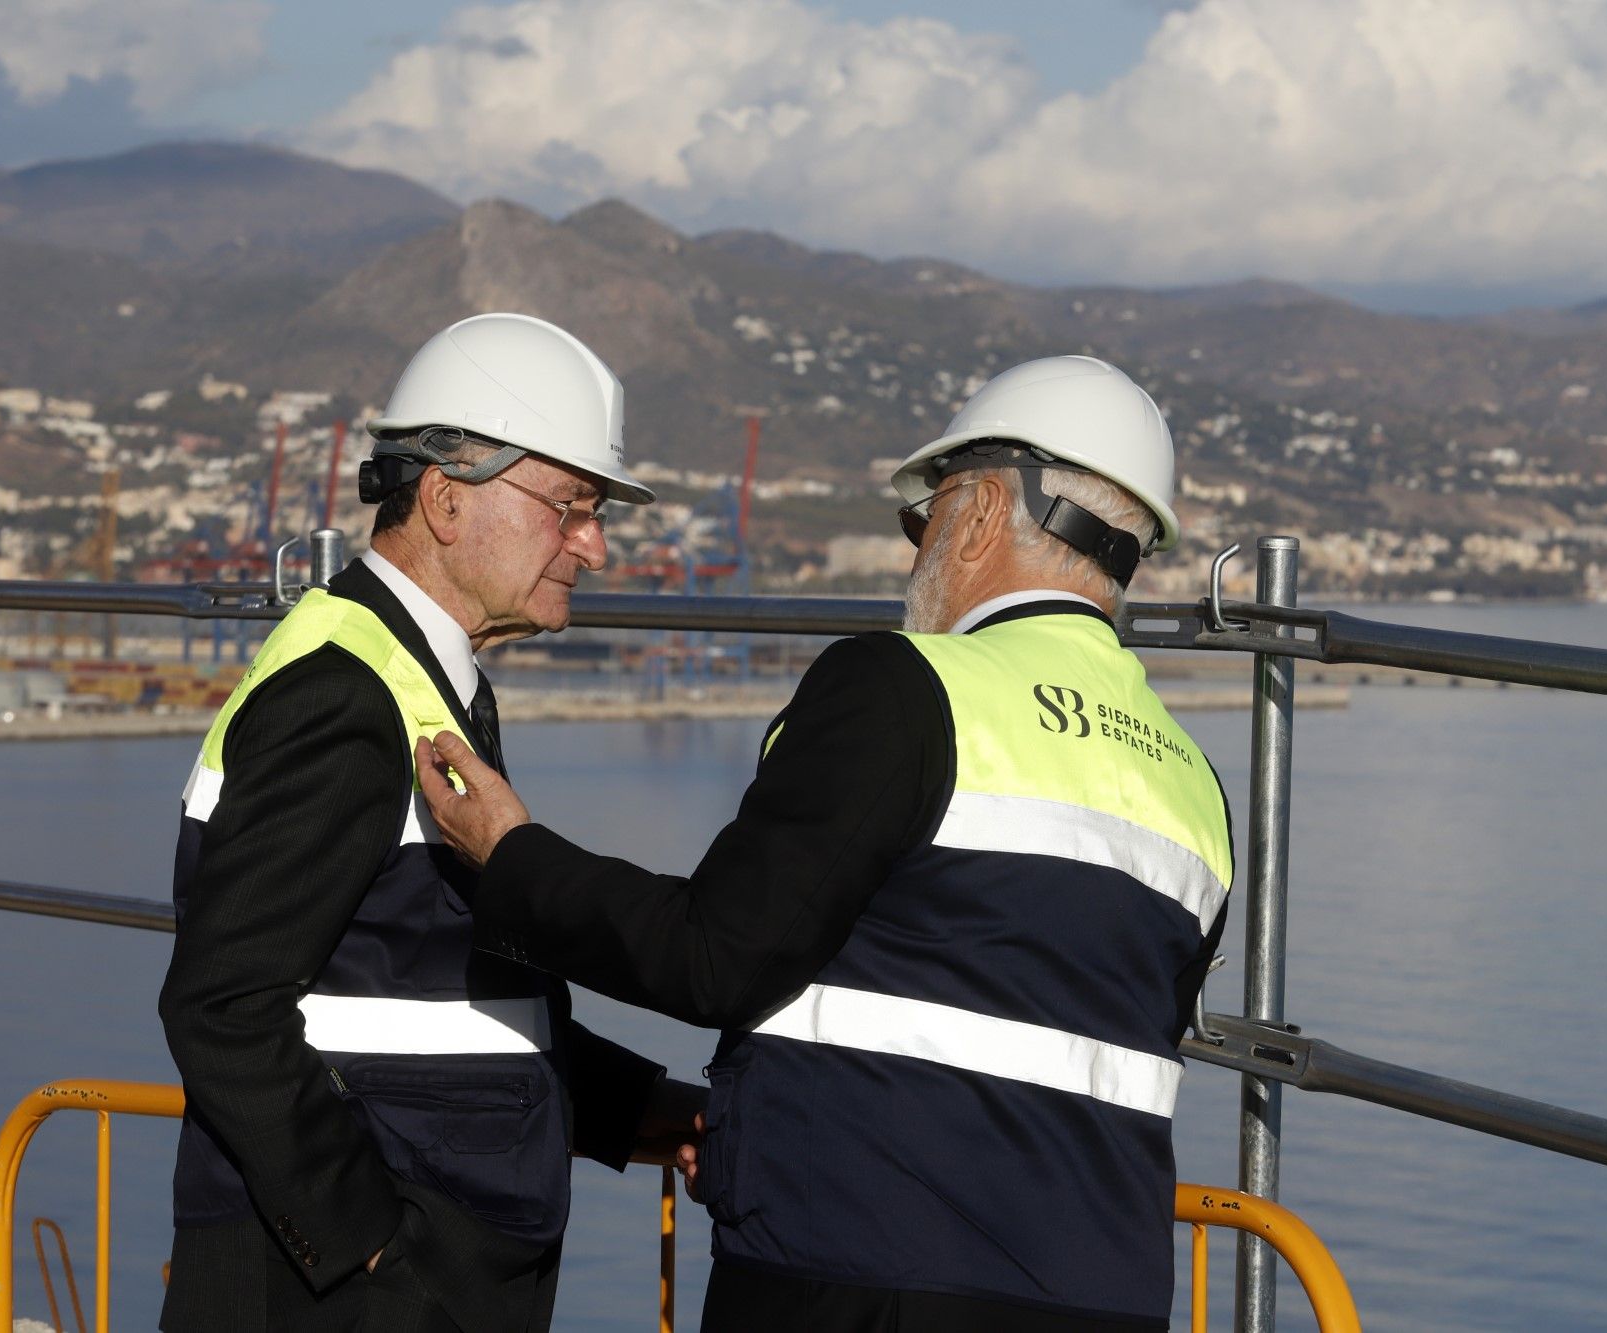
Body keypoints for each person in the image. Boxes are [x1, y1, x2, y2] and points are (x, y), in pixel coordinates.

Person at [417, 356, 1235, 1333]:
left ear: (976, 513)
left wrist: (510, 854)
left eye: (919, 520)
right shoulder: (1193, 781)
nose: (913, 554)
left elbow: (713, 958)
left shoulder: (904, 688)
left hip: (856, 1277)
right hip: (1108, 1293)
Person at [158, 312, 703, 1333]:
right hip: (354, 1286)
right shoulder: (343, 696)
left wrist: (646, 1110)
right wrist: (373, 1250)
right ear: (448, 499)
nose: (592, 542)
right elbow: (221, 1004)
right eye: (570, 507)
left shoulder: (408, 677)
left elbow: (438, 983)